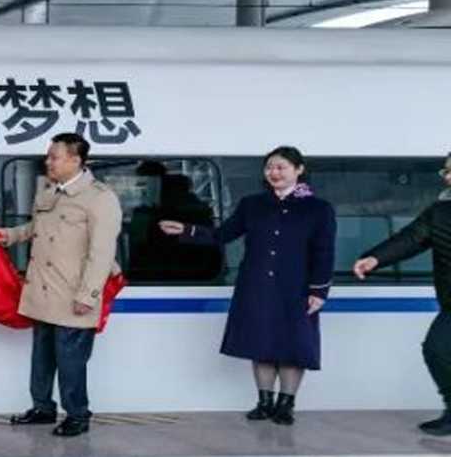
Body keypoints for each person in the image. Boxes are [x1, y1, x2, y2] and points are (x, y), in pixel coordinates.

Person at [158, 146, 335, 425]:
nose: (274, 173)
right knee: (260, 344)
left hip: (297, 289)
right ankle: (264, 402)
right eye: (269, 167)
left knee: (293, 348)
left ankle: (285, 405)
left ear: (299, 170)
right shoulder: (252, 204)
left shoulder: (318, 209)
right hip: (256, 286)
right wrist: (188, 230)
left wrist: (319, 291)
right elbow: (223, 234)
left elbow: (324, 253)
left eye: (281, 167)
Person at [0, 133, 122, 438]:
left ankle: (77, 415)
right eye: (48, 156)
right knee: (42, 358)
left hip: (73, 293)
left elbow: (102, 253)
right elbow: (37, 228)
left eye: (54, 157)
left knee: (70, 362)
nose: (48, 162)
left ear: (76, 160)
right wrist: (11, 236)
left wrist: (88, 295)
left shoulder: (100, 198)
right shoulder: (50, 192)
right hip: (43, 290)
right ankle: (42, 408)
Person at [351, 152, 451, 435]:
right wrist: (375, 259)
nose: (447, 176)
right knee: (437, 349)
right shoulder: (440, 212)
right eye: (445, 171)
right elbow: (410, 239)